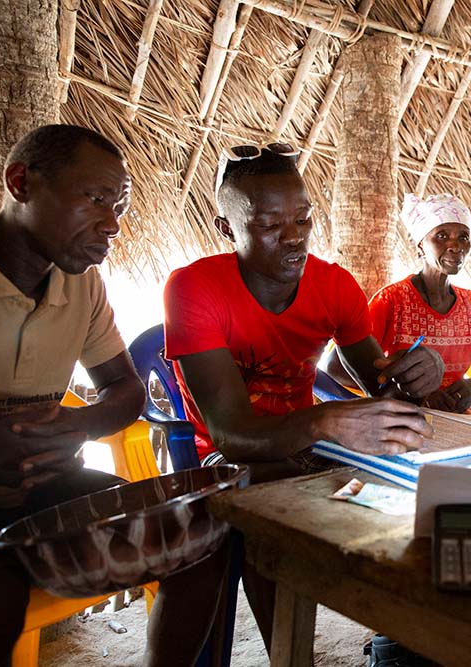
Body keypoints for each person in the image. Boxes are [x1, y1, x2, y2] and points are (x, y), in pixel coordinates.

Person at [163, 144, 443, 651]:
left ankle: (403, 643)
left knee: (424, 484)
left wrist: (420, 371)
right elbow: (234, 434)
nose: (293, 237)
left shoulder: (333, 286)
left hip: (309, 448)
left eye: (303, 218)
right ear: (228, 228)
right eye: (269, 225)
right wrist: (324, 423)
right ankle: (288, 653)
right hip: (225, 457)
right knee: (259, 499)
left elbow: (383, 385)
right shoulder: (194, 289)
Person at [0, 124, 226, 667]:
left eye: (118, 205)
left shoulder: (81, 284)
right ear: (20, 182)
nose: (111, 224)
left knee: (198, 544)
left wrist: (80, 425)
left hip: (45, 490)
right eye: (94, 199)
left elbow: (124, 389)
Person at [346, 193, 471, 413]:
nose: (455, 246)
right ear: (420, 246)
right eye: (442, 236)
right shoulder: (392, 300)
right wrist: (417, 389)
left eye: (463, 237)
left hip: (461, 418)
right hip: (404, 413)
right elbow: (340, 364)